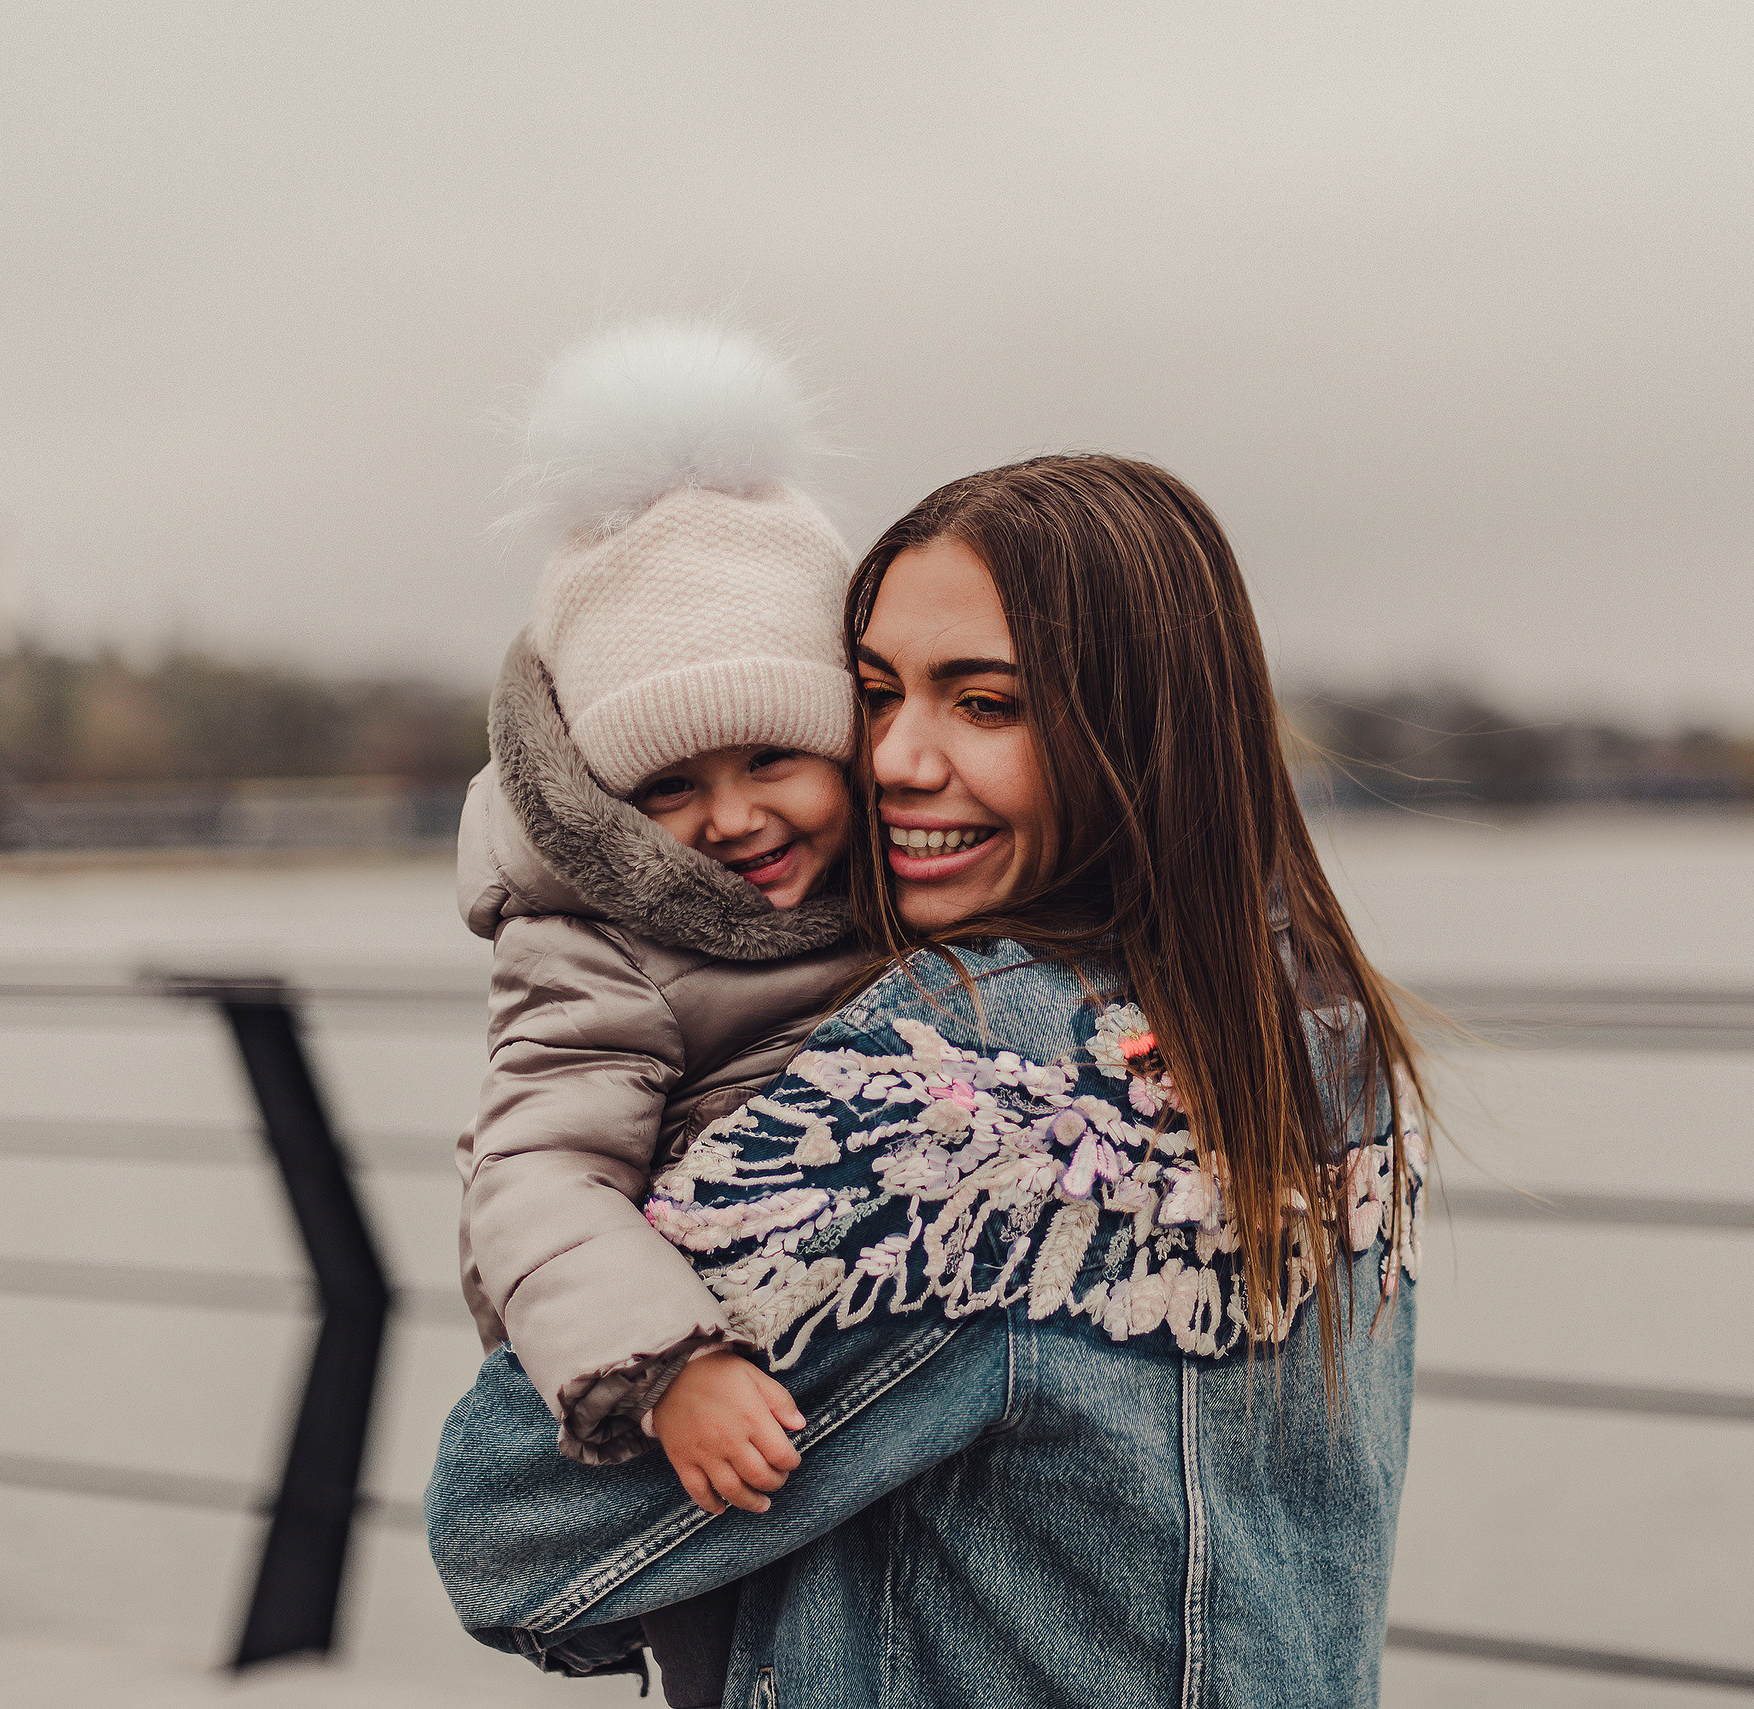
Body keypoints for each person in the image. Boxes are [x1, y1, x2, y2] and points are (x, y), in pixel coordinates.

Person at [431, 454, 1429, 1708]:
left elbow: (503, 1533)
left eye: (985, 703)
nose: (895, 757)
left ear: (1136, 729)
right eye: (874, 694)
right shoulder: (1322, 1040)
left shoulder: (958, 1098)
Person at [452, 321, 867, 1704]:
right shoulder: (595, 945)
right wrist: (661, 1365)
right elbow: (533, 1167)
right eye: (670, 786)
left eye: (774, 757)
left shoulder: (900, 888)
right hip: (708, 1428)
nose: (734, 817)